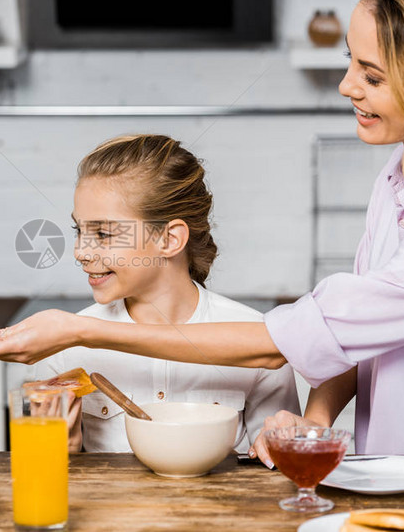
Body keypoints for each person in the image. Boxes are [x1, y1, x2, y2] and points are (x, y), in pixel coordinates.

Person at [0, 0, 404, 463]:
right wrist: (316, 417)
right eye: (350, 62)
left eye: (372, 75)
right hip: (397, 470)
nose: (346, 85)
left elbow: (279, 345)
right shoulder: (402, 178)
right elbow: (355, 332)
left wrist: (80, 332)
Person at [32, 134, 300, 453]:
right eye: (80, 231)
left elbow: (281, 471)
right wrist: (64, 450)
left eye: (103, 233)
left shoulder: (259, 344)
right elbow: (47, 482)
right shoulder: (63, 349)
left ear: (170, 239)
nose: (80, 251)